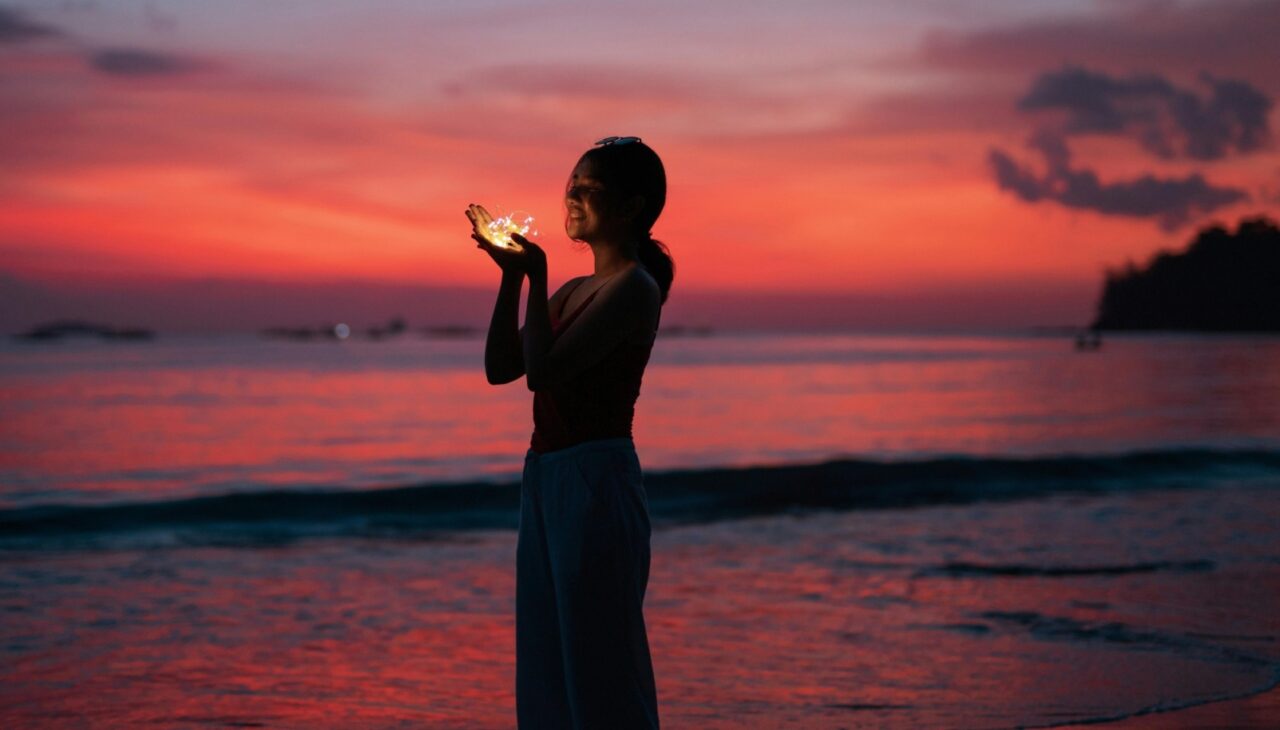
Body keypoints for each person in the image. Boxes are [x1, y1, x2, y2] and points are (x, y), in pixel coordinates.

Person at [465, 136, 672, 729]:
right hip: (547, 478)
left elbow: (547, 373)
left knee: (601, 664)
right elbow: (502, 368)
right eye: (571, 186)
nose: (573, 197)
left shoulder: (634, 288)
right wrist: (513, 278)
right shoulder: (576, 291)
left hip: (596, 481)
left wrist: (536, 273)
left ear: (631, 207)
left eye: (589, 188)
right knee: (547, 661)